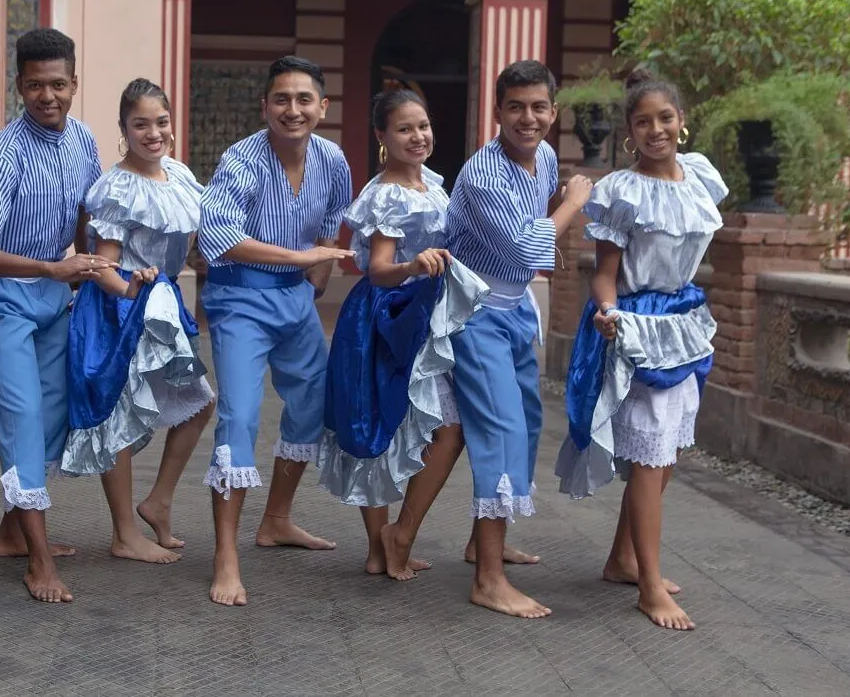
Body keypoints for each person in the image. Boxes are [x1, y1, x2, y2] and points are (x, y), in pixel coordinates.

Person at [556, 68, 724, 631]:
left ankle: (623, 559)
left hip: (686, 320)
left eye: (665, 118)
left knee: (667, 453)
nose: (656, 129)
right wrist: (608, 313)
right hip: (637, 323)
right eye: (644, 121)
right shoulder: (621, 193)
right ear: (630, 131)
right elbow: (605, 273)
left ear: (682, 122)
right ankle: (650, 586)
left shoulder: (700, 176)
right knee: (650, 458)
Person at [0, 29, 111, 603]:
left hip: (52, 297)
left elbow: (88, 214)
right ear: (20, 86)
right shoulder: (5, 153)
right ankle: (39, 562)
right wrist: (49, 270)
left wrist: (97, 267)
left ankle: (9, 536)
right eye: (37, 85)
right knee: (20, 419)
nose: (49, 96)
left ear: (75, 84)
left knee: (50, 414)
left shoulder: (83, 140)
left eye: (59, 84)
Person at [198, 55, 354, 607]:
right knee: (239, 415)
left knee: (313, 404)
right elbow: (217, 234)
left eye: (304, 99)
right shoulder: (240, 159)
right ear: (265, 106)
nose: (293, 110)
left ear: (323, 107)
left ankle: (277, 519)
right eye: (282, 100)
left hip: (295, 298)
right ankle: (225, 554)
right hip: (240, 296)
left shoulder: (333, 160)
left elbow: (334, 223)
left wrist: (314, 276)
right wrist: (298, 256)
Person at [320, 90, 489, 580]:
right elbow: (375, 270)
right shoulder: (386, 194)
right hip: (384, 318)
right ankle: (381, 545)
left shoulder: (435, 187)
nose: (418, 137)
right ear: (381, 137)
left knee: (446, 429)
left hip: (426, 317)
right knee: (378, 424)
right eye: (404, 129)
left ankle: (399, 535)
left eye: (423, 126)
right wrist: (413, 265)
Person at [446, 59, 593, 618]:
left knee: (528, 424)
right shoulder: (482, 175)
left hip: (514, 313)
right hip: (476, 312)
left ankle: (485, 539)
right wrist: (573, 202)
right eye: (516, 107)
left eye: (538, 107)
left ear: (552, 113)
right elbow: (529, 251)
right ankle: (487, 579)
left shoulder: (546, 157)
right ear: (497, 112)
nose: (527, 118)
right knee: (498, 431)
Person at [60, 78, 216, 563]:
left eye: (161, 122)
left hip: (159, 304)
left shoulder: (179, 175)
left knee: (199, 404)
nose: (154, 132)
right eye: (141, 124)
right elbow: (101, 266)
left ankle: (158, 502)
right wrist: (132, 289)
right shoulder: (116, 188)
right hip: (118, 309)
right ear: (124, 130)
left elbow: (185, 242)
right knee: (118, 415)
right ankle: (124, 533)